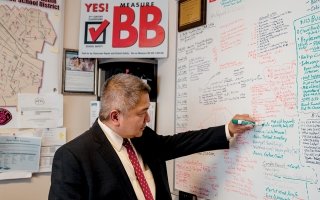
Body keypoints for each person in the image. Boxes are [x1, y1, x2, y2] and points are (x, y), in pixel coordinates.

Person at [49, 73, 255, 200]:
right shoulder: (73, 157)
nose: (148, 118)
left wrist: (227, 129)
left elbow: (177, 144)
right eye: (141, 113)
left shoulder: (141, 136)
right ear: (115, 116)